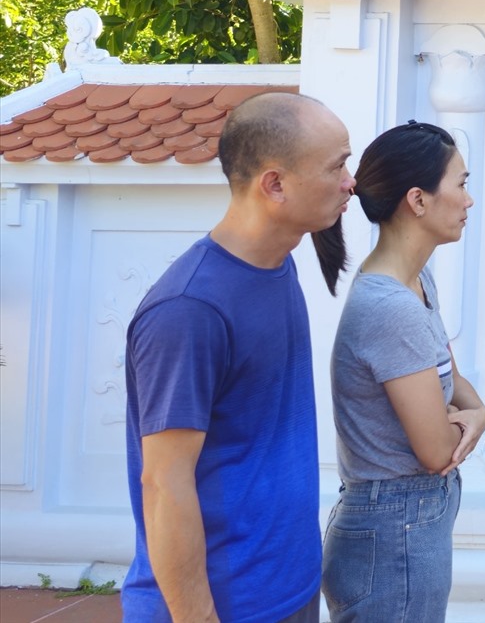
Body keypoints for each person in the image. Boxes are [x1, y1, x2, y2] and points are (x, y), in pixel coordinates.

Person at [123, 92, 354, 623]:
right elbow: (164, 482)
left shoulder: (280, 264)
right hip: (223, 606)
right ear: (274, 184)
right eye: (337, 165)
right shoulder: (189, 309)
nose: (351, 181)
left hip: (289, 586)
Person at [319, 121, 485, 622]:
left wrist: (477, 415)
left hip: (408, 525)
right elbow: (438, 450)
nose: (469, 200)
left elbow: (456, 387)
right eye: (460, 184)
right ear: (418, 200)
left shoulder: (417, 283)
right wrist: (474, 416)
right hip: (395, 530)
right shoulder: (389, 306)